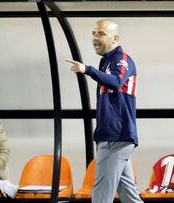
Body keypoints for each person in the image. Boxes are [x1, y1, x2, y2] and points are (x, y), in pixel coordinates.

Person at [66, 19, 143, 203]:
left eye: (101, 33)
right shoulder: (105, 62)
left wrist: (87, 69)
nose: (95, 38)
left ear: (115, 38)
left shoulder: (123, 59)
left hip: (117, 138)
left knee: (101, 193)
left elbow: (116, 82)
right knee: (129, 195)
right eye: (93, 33)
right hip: (107, 137)